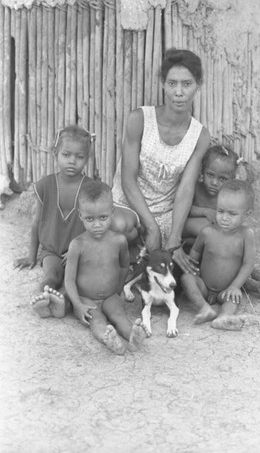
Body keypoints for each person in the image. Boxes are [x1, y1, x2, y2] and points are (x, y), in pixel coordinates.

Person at [110, 48, 211, 274]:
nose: (178, 92)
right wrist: (151, 227)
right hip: (130, 206)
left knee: (210, 233)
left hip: (167, 212)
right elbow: (127, 179)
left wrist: (174, 237)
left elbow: (186, 189)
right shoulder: (140, 119)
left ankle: (157, 260)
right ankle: (138, 258)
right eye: (172, 83)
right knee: (120, 227)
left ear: (198, 85)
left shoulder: (199, 135)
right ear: (163, 84)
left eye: (187, 84)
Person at [183, 144, 260, 299]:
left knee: (235, 255)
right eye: (210, 175)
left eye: (222, 179)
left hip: (219, 250)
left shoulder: (227, 197)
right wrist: (205, 211)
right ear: (202, 172)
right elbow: (184, 209)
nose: (215, 182)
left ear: (232, 179)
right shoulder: (196, 189)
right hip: (196, 245)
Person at [13, 125, 94, 318]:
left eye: (79, 157)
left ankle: (62, 303)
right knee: (52, 275)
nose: (72, 161)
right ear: (55, 153)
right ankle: (45, 297)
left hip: (78, 252)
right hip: (51, 249)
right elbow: (37, 222)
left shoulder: (91, 189)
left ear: (86, 159)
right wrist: (32, 256)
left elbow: (96, 225)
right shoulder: (45, 185)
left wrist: (80, 248)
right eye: (66, 155)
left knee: (74, 280)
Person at [64, 180, 149, 354]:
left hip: (111, 296)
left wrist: (118, 290)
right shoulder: (77, 245)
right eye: (90, 219)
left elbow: (125, 266)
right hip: (86, 299)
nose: (97, 224)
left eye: (103, 218)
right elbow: (69, 280)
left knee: (120, 316)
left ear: (112, 212)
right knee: (97, 320)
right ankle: (108, 339)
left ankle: (133, 336)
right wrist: (78, 304)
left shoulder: (119, 241)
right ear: (80, 216)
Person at [181, 179, 256, 330]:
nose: (224, 217)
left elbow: (248, 264)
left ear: (246, 214)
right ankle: (204, 308)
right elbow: (195, 251)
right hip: (204, 285)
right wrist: (191, 267)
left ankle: (224, 317)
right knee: (186, 279)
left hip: (226, 289)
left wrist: (235, 286)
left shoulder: (246, 235)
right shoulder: (207, 232)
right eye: (220, 211)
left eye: (232, 214)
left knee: (233, 298)